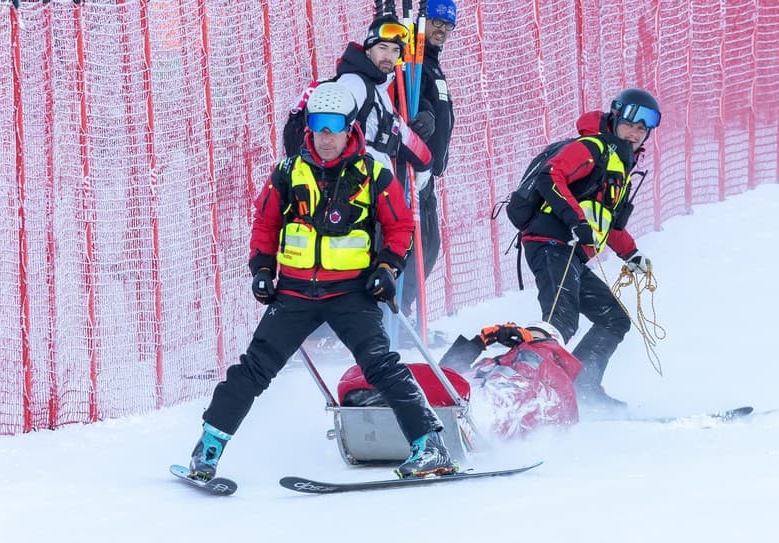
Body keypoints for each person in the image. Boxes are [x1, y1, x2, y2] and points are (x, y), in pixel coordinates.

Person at [186, 82, 457, 481]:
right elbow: (266, 224)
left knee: (381, 366)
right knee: (253, 370)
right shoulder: (287, 172)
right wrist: (262, 270)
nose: (325, 136)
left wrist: (387, 268)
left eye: (333, 126)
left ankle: (429, 445)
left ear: (350, 128)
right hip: (295, 293)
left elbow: (399, 227)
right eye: (317, 125)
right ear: (309, 127)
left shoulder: (372, 173)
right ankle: (208, 447)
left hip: (351, 293)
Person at [519, 88, 661, 412]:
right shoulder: (592, 147)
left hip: (573, 251)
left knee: (614, 319)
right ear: (615, 118)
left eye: (643, 128)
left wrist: (631, 254)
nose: (636, 132)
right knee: (561, 319)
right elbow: (550, 176)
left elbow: (607, 221)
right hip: (552, 242)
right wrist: (574, 220)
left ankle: (582, 387)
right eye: (630, 124)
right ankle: (516, 387)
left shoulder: (620, 163)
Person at [399, 0, 458, 322]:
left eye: (448, 26)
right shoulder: (411, 58)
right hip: (409, 168)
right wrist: (422, 114)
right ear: (422, 20)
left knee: (428, 246)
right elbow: (406, 94)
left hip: (427, 171)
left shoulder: (432, 64)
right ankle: (396, 314)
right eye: (437, 22)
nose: (442, 30)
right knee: (415, 245)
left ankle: (403, 313)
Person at [439, 321, 583, 437]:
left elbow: (522, 382)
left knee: (505, 379)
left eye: (536, 337)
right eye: (525, 336)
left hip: (497, 419)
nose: (527, 340)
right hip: (459, 410)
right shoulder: (494, 363)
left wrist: (529, 347)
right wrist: (479, 342)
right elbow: (443, 375)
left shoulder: (548, 360)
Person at [334, 14, 432, 175]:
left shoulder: (379, 91)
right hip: (356, 186)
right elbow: (331, 128)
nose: (389, 56)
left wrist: (426, 165)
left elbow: (403, 134)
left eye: (395, 50)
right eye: (382, 48)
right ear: (368, 50)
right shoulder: (354, 83)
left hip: (377, 185)